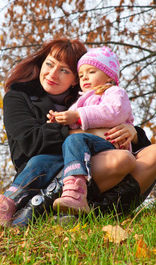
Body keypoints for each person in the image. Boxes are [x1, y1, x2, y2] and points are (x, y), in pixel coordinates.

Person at [0, 38, 156, 226]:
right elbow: (30, 141)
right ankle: (35, 209)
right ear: (42, 63)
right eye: (50, 64)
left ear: (74, 80)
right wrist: (84, 132)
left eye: (64, 70)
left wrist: (132, 132)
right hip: (47, 171)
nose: (53, 74)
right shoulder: (20, 97)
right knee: (121, 160)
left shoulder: (86, 98)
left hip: (93, 165)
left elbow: (124, 129)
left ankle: (94, 212)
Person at [47, 46, 135, 215]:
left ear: (109, 75)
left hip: (112, 145)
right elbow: (74, 122)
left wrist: (78, 115)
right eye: (81, 75)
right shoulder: (83, 100)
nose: (85, 77)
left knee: (73, 140)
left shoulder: (115, 92)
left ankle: (76, 193)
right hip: (90, 149)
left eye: (92, 72)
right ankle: (72, 191)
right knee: (72, 140)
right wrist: (60, 119)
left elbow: (114, 113)